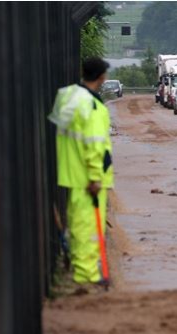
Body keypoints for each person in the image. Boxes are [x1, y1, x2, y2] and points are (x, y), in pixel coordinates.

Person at [48, 57, 114, 288]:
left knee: (78, 225)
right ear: (102, 77)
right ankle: (88, 276)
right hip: (89, 179)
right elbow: (94, 145)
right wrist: (95, 177)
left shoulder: (69, 97)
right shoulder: (92, 106)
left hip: (72, 174)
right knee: (89, 228)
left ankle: (80, 270)